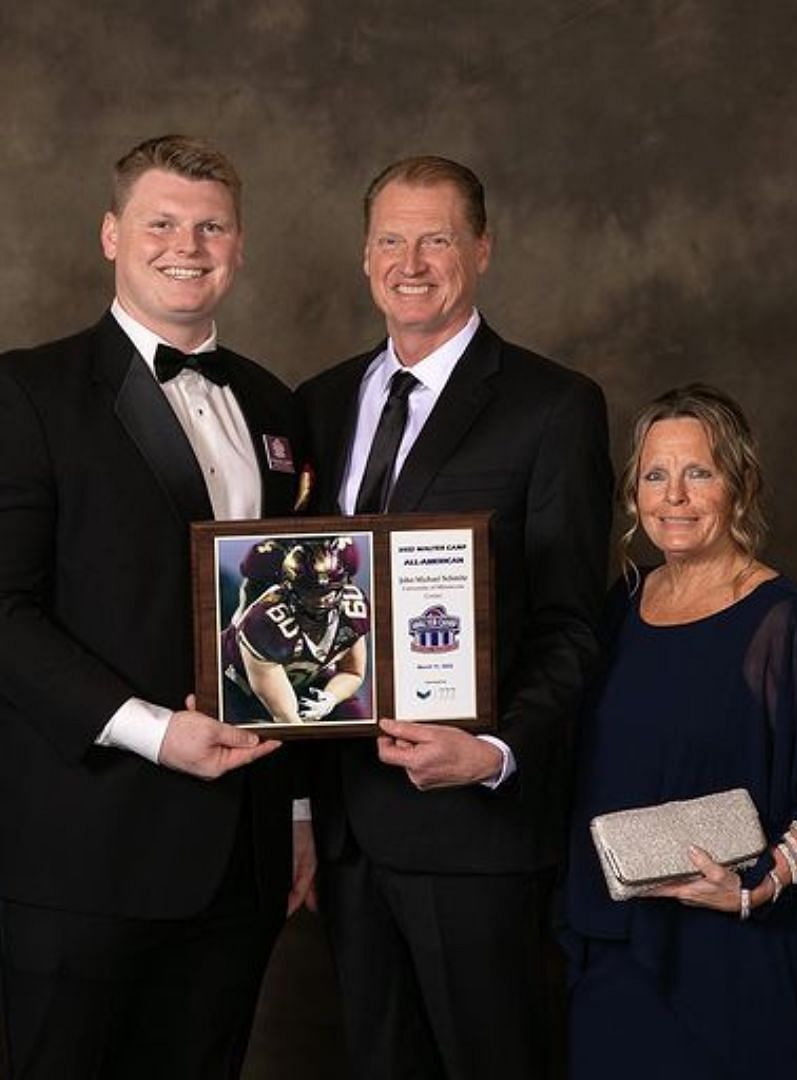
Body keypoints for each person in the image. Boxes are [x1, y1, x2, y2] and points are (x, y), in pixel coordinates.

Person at [0, 135, 310, 1079]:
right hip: (80, 848)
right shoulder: (23, 392)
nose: (187, 243)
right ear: (111, 236)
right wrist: (150, 731)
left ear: (239, 244)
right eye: (161, 222)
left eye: (210, 224)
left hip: (242, 852)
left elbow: (305, 609)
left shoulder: (272, 403)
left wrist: (298, 811)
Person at [294, 155, 613, 1078]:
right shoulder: (318, 404)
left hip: (477, 830)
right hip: (351, 833)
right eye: (391, 239)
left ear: (481, 248)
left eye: (436, 237)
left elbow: (571, 625)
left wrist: (499, 751)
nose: (412, 260)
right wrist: (302, 813)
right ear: (364, 257)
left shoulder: (552, 406)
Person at [563, 383, 797, 1079]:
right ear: (633, 494)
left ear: (738, 486)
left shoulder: (783, 622)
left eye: (698, 473)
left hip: (724, 956)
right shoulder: (622, 602)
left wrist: (755, 889)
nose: (673, 496)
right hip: (613, 948)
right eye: (655, 475)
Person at [219, 537, 371, 724]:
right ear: (290, 589)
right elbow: (286, 717)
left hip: (306, 674)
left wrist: (330, 698)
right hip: (239, 683)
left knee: (354, 720)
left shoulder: (353, 607)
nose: (323, 601)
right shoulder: (264, 623)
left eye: (329, 592)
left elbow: (353, 673)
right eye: (312, 593)